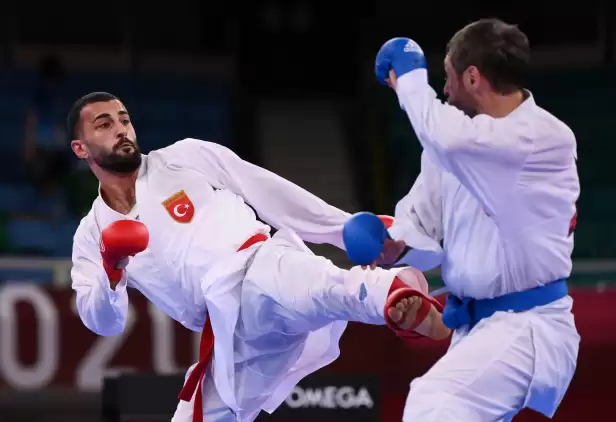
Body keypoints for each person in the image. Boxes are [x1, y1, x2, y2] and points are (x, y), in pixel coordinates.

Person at [67, 92, 450, 422]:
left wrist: (343, 229)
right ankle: (386, 296)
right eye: (104, 124)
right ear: (80, 148)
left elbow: (271, 193)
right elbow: (105, 322)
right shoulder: (91, 235)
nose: (121, 129)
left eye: (124, 120)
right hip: (228, 331)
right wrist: (112, 271)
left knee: (316, 285)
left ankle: (392, 294)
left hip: (256, 263)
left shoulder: (183, 157)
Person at [367, 18, 580, 421]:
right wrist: (397, 245)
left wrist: (411, 82)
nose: (445, 90)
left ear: (471, 77)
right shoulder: (452, 148)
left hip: (529, 325)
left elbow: (447, 138)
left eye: (448, 77)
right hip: (474, 330)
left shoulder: (541, 138)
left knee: (434, 403)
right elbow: (421, 220)